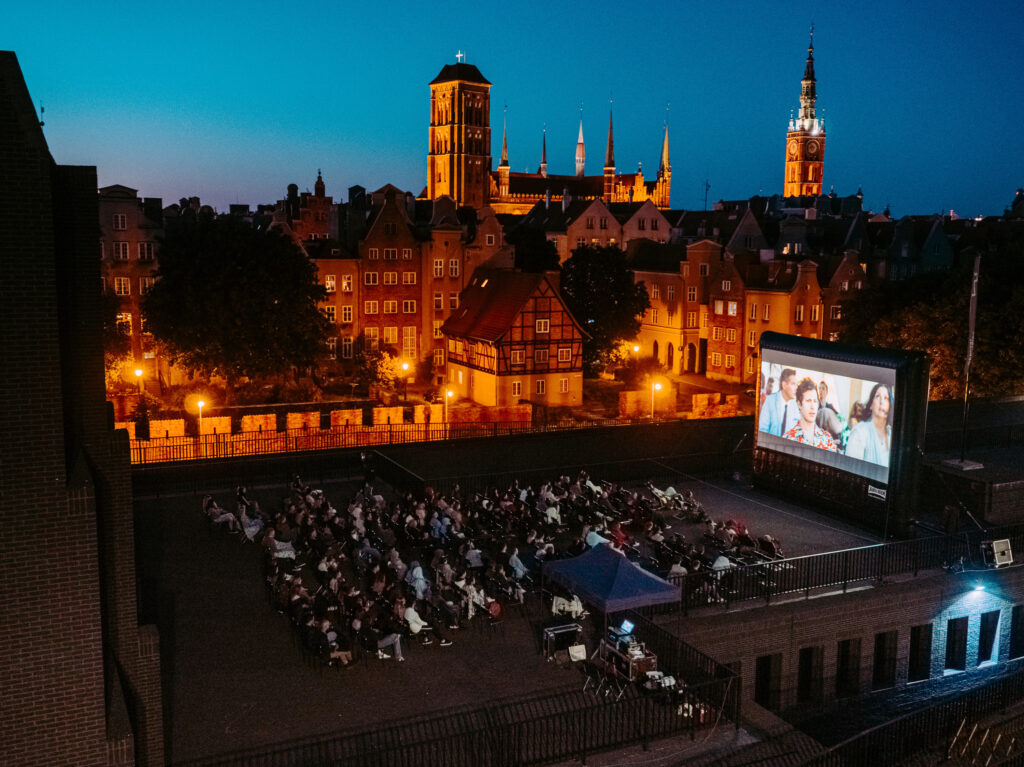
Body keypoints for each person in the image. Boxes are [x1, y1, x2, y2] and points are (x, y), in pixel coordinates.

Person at [783, 378, 838, 451]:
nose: (812, 407)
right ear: (799, 404)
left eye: (815, 401)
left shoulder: (827, 439)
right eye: (808, 401)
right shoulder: (788, 438)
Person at [845, 383, 892, 467]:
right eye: (878, 396)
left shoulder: (891, 434)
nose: (882, 402)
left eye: (886, 398)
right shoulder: (860, 431)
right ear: (870, 405)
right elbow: (850, 468)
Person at [758, 368, 798, 436]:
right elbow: (762, 430)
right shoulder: (770, 401)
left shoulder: (795, 406)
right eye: (793, 384)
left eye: (796, 384)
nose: (796, 388)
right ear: (784, 385)